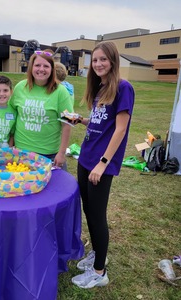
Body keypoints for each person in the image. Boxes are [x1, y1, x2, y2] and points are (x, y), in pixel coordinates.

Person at [71, 41, 135, 288]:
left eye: (103, 60)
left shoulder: (123, 87)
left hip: (100, 163)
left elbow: (120, 130)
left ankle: (99, 272)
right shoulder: (101, 88)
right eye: (95, 60)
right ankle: (97, 254)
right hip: (85, 158)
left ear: (113, 61)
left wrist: (103, 163)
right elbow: (101, 123)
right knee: (89, 211)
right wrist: (82, 120)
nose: (98, 64)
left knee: (97, 216)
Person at [0, 50, 74, 169]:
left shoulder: (61, 92)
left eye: (46, 66)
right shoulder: (21, 87)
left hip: (48, 154)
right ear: (31, 68)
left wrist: (61, 153)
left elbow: (68, 122)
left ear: (52, 69)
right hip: (21, 153)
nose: (41, 69)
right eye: (37, 65)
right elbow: (8, 106)